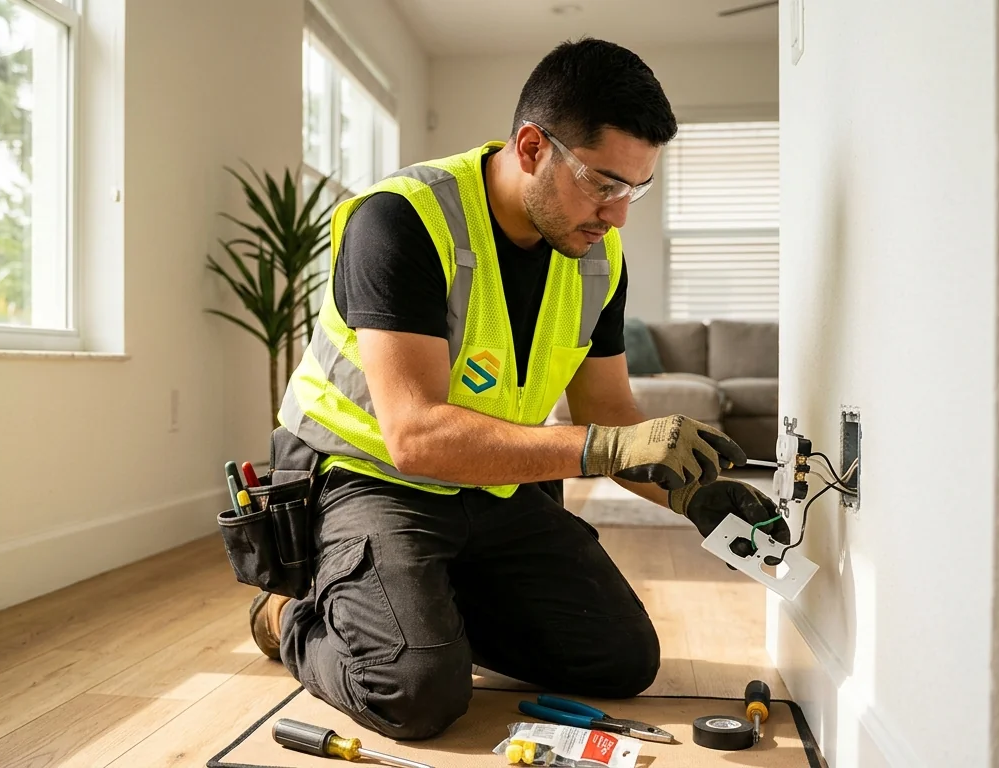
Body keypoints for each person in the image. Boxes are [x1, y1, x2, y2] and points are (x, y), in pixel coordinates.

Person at [248, 37, 787, 741]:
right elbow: (413, 437)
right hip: (367, 479)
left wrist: (694, 495)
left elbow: (609, 413)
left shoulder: (597, 256)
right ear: (532, 146)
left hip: (492, 486)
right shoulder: (400, 221)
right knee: (414, 693)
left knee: (622, 659)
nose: (618, 214)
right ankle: (286, 614)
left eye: (635, 188)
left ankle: (421, 606)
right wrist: (605, 448)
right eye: (603, 182)